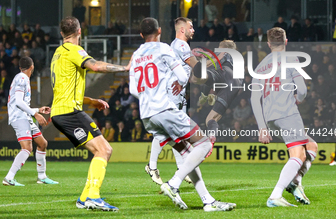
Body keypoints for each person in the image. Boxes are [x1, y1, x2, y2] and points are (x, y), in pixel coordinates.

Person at [130, 17, 236, 212]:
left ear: (141, 34)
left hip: (148, 114)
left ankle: (208, 201)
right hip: (167, 108)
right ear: (160, 31)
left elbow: (134, 89)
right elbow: (194, 73)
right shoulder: (172, 47)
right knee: (203, 144)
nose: (193, 29)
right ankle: (172, 184)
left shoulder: (136, 54)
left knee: (187, 154)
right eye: (191, 26)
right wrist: (218, 62)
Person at [50, 16, 130, 211]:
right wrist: (124, 68)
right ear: (79, 32)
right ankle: (93, 196)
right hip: (69, 112)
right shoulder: (75, 50)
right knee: (104, 150)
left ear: (61, 33)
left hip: (61, 111)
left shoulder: (57, 54)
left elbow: (64, 90)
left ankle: (85, 197)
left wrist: (90, 101)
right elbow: (95, 66)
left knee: (100, 150)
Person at [250, 27, 318, 207]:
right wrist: (299, 98)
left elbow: (254, 98)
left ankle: (295, 182)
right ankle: (276, 195)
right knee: (298, 154)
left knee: (311, 146)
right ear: (286, 41)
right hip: (287, 112)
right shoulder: (291, 59)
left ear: (268, 44)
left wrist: (262, 127)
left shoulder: (259, 66)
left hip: (270, 118)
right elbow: (302, 89)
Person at [145, 17, 195, 185]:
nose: (193, 30)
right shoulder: (181, 45)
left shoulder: (176, 45)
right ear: (182, 29)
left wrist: (182, 83)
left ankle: (181, 169)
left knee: (177, 133)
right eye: (191, 27)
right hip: (172, 96)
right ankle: (152, 166)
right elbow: (196, 65)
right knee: (166, 132)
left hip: (177, 95)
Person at [3, 57, 58, 186]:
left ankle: (42, 176)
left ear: (20, 67)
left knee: (42, 143)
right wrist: (36, 114)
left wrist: (38, 109)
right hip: (19, 117)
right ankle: (9, 177)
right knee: (27, 148)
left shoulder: (21, 78)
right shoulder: (22, 78)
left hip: (25, 116)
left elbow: (21, 103)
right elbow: (18, 101)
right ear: (32, 67)